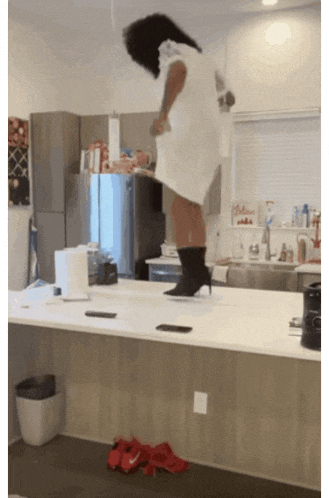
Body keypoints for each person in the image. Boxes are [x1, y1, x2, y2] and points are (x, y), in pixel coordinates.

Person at [123, 13, 235, 297]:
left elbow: (179, 72)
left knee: (179, 208)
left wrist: (162, 115)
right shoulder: (204, 60)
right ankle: (196, 273)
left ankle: (193, 274)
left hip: (191, 139)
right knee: (191, 205)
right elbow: (229, 98)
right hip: (205, 141)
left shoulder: (172, 51)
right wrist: (212, 108)